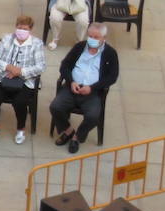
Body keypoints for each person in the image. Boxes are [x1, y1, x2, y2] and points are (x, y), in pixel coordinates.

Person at [51, 23, 119, 153]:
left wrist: (92, 88)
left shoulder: (110, 53)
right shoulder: (79, 47)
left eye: (96, 37)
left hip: (92, 92)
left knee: (93, 116)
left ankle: (77, 137)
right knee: (55, 107)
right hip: (72, 87)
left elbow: (112, 76)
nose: (92, 39)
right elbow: (64, 66)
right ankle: (68, 131)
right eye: (90, 36)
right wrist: (71, 81)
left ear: (104, 38)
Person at [0, 15, 45, 144]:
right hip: (3, 77)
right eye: (19, 27)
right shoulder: (6, 40)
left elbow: (40, 66)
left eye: (24, 28)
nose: (21, 31)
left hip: (25, 81)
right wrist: (8, 67)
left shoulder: (37, 44)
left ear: (30, 29)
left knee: (20, 102)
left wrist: (20, 72)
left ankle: (21, 129)